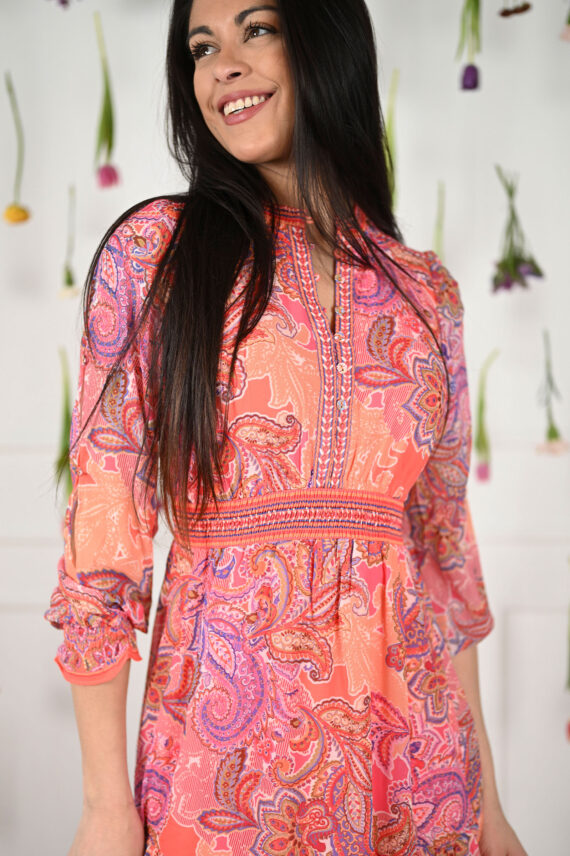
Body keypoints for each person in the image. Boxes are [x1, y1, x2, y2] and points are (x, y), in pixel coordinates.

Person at [45, 1, 528, 854]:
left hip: (414, 772)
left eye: (256, 29)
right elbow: (102, 543)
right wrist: (104, 807)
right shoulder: (156, 256)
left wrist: (489, 808)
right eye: (202, 47)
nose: (222, 65)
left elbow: (443, 562)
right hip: (220, 767)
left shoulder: (427, 294)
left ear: (326, 42)